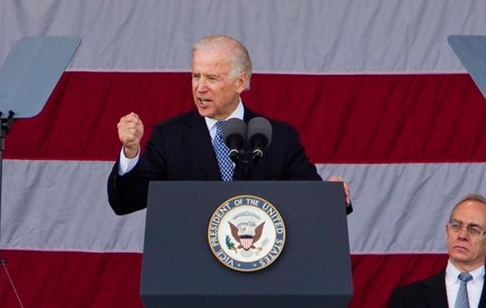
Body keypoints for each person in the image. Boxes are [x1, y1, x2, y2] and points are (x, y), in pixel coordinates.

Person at [107, 34, 351, 215]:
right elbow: (126, 202)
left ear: (240, 82)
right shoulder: (169, 137)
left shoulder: (278, 138)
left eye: (211, 78)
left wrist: (332, 196)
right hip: (192, 276)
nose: (200, 87)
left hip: (260, 274)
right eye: (195, 76)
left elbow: (313, 203)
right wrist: (130, 152)